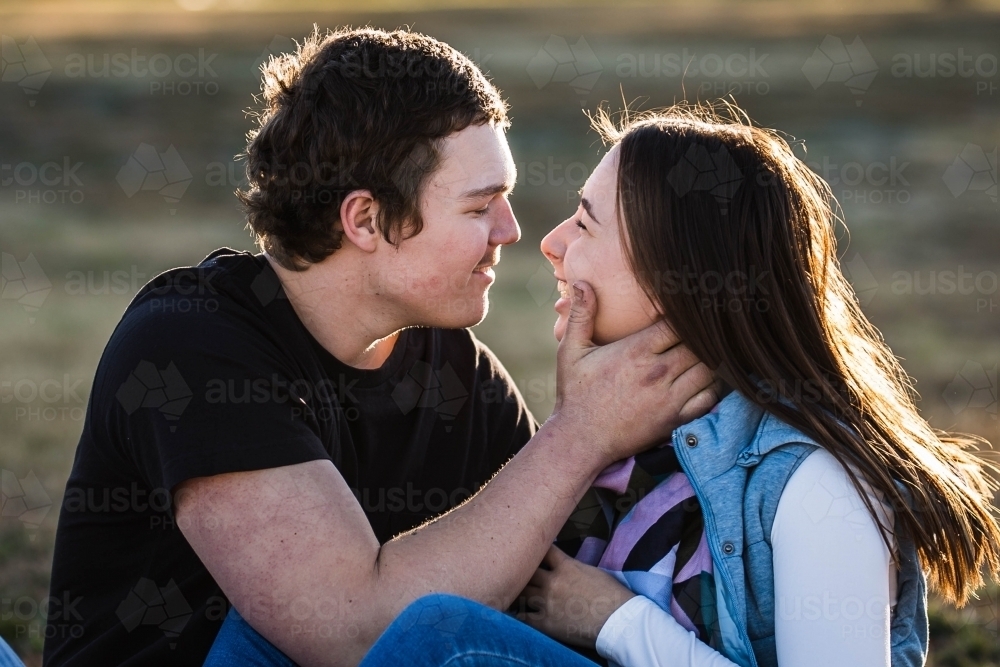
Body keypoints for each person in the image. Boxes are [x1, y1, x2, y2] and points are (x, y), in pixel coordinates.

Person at [43, 29, 718, 666]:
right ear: (365, 219)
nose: (512, 230)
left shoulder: (455, 372)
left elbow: (539, 588)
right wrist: (581, 434)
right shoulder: (193, 345)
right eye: (480, 206)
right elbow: (348, 633)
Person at [352, 105, 1000, 667]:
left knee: (444, 635)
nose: (548, 244)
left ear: (673, 278)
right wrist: (578, 426)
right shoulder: (636, 443)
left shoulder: (812, 481)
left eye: (584, 224)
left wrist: (614, 618)